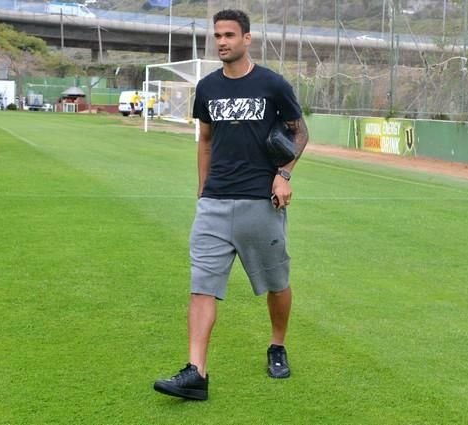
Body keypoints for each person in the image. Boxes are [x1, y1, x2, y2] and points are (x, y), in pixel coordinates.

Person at [153, 9, 309, 401]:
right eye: (217, 35)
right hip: (215, 204)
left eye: (229, 35)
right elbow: (205, 140)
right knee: (201, 286)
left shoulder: (272, 84)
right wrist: (203, 190)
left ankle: (277, 345)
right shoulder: (206, 88)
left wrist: (284, 174)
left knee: (277, 284)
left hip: (262, 201)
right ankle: (196, 372)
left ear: (247, 39)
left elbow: (300, 131)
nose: (222, 41)